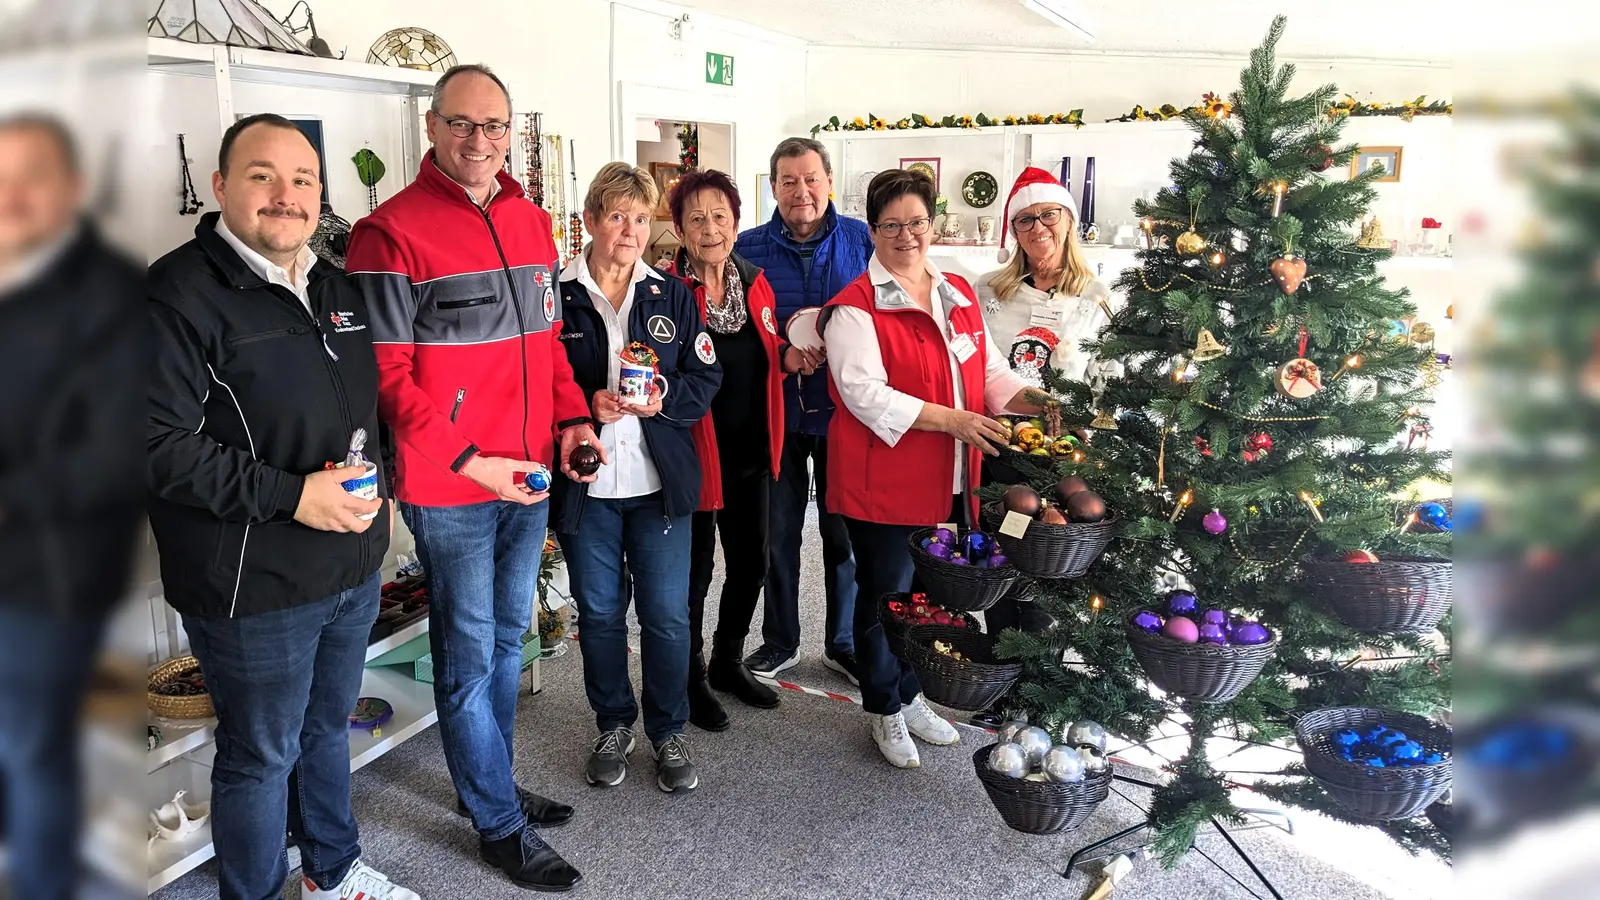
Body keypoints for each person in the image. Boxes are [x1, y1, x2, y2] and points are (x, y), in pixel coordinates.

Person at [148, 114, 419, 900]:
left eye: (303, 179)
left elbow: (366, 412)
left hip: (350, 566)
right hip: (251, 586)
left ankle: (332, 872)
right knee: (260, 757)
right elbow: (155, 445)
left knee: (325, 732)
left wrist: (384, 491)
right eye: (262, 175)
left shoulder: (335, 286)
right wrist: (295, 496)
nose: (285, 195)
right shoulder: (176, 294)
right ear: (224, 185)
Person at [345, 65, 590, 892]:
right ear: (432, 128)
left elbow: (550, 348)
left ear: (510, 132)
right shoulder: (389, 233)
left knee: (503, 640)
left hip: (526, 476)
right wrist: (469, 460)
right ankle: (496, 822)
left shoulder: (530, 223)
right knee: (466, 651)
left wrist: (574, 423)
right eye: (462, 124)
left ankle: (488, 785)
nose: (479, 141)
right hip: (452, 487)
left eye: (494, 126)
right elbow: (388, 377)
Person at [820, 169, 1047, 769]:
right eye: (890, 225)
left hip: (953, 477)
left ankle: (913, 694)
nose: (906, 236)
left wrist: (1040, 400)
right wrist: (952, 420)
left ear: (933, 224)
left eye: (916, 222)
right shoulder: (855, 308)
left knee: (932, 595)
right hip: (886, 481)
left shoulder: (958, 292)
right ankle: (884, 709)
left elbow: (992, 373)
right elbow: (861, 392)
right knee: (887, 597)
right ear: (871, 231)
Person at [0, 114, 143, 900]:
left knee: (33, 753)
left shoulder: (108, 294)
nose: (13, 196)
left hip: (48, 572)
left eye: (34, 177)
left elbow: (112, 450)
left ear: (74, 190)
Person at [553, 162, 722, 792]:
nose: (627, 230)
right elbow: (535, 381)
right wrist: (579, 408)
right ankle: (614, 722)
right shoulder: (556, 292)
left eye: (638, 217)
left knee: (667, 616)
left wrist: (664, 400)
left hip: (657, 489)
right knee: (598, 615)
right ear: (591, 220)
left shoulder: (672, 294)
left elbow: (705, 378)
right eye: (615, 216)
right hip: (587, 489)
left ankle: (669, 727)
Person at [971, 166, 1120, 727]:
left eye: (1048, 215)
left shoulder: (1099, 298)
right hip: (1004, 454)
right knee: (1007, 554)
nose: (1038, 227)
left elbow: (1111, 378)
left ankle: (1046, 682)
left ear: (1067, 220)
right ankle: (1005, 680)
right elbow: (978, 369)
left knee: (1055, 565)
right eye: (1026, 218)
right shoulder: (990, 291)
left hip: (1066, 460)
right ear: (1014, 228)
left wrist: (1085, 427)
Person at [734, 137, 873, 684]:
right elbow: (739, 335)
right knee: (778, 533)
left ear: (829, 181)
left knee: (844, 538)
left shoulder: (864, 241)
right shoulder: (747, 249)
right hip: (779, 418)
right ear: (772, 187)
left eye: (811, 178)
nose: (801, 191)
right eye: (788, 181)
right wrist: (780, 356)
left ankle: (843, 643)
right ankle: (781, 640)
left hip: (845, 417)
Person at [666, 169, 785, 730]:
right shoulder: (666, 291)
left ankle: (726, 661)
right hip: (693, 460)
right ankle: (687, 679)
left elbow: (764, 351)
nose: (710, 227)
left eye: (720, 216)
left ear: (737, 223)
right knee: (693, 575)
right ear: (680, 229)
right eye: (696, 218)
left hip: (751, 455)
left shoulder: (755, 282)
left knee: (751, 565)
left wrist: (789, 354)